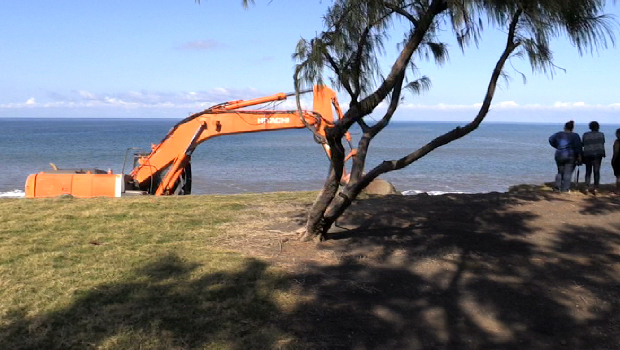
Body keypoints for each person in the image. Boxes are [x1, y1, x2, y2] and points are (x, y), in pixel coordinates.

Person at [549, 120, 582, 192]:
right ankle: (565, 189)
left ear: (565, 127)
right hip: (570, 156)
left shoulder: (558, 134)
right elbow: (578, 147)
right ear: (572, 128)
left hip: (559, 154)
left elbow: (550, 139)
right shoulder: (575, 136)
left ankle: (557, 187)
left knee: (560, 171)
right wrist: (579, 156)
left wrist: (557, 146)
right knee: (568, 173)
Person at [581, 121, 606, 194]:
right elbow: (602, 142)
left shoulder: (585, 135)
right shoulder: (601, 135)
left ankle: (587, 187)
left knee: (588, 171)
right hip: (598, 154)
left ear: (590, 127)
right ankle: (596, 188)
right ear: (598, 127)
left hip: (588, 154)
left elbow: (583, 144)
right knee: (597, 171)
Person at [613, 128, 620, 194]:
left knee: (618, 176)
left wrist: (613, 160)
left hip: (618, 160)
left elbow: (616, 152)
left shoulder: (617, 142)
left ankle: (618, 190)